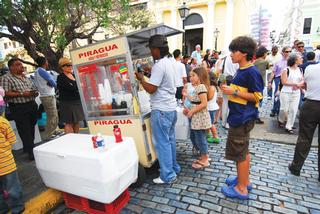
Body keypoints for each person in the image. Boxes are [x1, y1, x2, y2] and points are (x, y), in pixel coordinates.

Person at [221, 36, 263, 200]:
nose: (231, 54)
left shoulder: (251, 71)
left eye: (234, 51)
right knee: (243, 151)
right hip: (239, 116)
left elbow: (258, 97)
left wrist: (234, 92)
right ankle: (244, 180)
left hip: (242, 118)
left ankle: (241, 188)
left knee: (239, 153)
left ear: (244, 53)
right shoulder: (242, 69)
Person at [135, 34, 180, 184]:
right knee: (170, 140)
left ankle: (168, 175)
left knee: (162, 143)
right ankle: (173, 167)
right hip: (171, 108)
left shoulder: (160, 65)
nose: (150, 53)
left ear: (155, 49)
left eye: (151, 50)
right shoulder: (171, 61)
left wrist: (142, 79)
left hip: (161, 109)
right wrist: (150, 72)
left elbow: (152, 89)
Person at [1, 58, 38, 160]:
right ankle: (31, 152)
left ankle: (28, 147)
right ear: (11, 67)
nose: (21, 66)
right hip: (19, 108)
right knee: (24, 129)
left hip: (31, 104)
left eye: (21, 64)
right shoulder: (6, 78)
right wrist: (21, 93)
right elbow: (6, 93)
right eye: (18, 64)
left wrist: (34, 92)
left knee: (31, 127)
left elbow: (33, 87)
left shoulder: (25, 77)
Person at [288, 63, 320, 181]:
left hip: (311, 104)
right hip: (312, 103)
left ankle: (296, 167)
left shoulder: (310, 68)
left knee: (304, 138)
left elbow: (306, 85)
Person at [184, 67, 211, 169]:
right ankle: (203, 156)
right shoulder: (198, 87)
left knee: (200, 138)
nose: (190, 78)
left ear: (200, 76)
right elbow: (196, 101)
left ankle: (205, 158)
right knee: (196, 137)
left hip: (199, 117)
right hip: (196, 117)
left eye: (193, 75)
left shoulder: (201, 87)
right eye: (190, 76)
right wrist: (188, 97)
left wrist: (192, 111)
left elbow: (204, 104)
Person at [0, 115, 25, 214]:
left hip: (5, 163)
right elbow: (12, 140)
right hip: (6, 163)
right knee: (12, 187)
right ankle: (17, 207)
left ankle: (2, 208)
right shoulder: (3, 122)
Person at [57, 57, 84, 134]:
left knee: (77, 121)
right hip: (67, 103)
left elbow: (78, 86)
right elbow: (71, 88)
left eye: (70, 65)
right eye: (67, 65)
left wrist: (78, 87)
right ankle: (69, 140)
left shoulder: (73, 75)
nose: (70, 66)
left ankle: (76, 137)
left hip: (76, 101)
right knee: (69, 123)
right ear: (62, 67)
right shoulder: (60, 77)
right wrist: (78, 86)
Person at [34, 56, 59, 140]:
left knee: (52, 115)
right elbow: (51, 80)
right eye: (47, 61)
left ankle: (54, 131)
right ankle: (49, 134)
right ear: (45, 62)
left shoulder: (37, 71)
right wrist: (56, 85)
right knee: (52, 116)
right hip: (48, 95)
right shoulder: (42, 70)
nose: (48, 63)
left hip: (46, 95)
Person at [278, 53, 304, 133]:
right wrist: (295, 84)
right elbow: (284, 82)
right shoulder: (286, 70)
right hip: (286, 92)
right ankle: (280, 119)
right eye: (300, 58)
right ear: (295, 60)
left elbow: (302, 79)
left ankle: (289, 126)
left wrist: (300, 86)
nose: (302, 59)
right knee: (284, 109)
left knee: (293, 109)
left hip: (296, 92)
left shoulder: (300, 69)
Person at [216, 53, 239, 129]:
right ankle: (228, 123)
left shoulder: (225, 59)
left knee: (225, 103)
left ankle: (223, 122)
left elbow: (219, 70)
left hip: (224, 82)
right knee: (231, 103)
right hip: (234, 82)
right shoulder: (237, 59)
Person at [268, 46, 292, 117]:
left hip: (289, 79)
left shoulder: (292, 62)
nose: (288, 53)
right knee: (277, 94)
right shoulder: (278, 62)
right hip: (278, 79)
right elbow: (273, 72)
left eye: (290, 51)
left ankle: (284, 112)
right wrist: (269, 82)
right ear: (283, 53)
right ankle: (275, 110)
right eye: (287, 51)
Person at [254, 46, 269, 124]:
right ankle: (256, 116)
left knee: (254, 99)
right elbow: (267, 68)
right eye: (266, 53)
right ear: (263, 54)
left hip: (254, 82)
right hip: (261, 83)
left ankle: (254, 115)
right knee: (259, 99)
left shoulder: (254, 62)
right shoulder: (265, 62)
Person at [207, 72, 220, 143]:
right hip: (210, 106)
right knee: (208, 122)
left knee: (210, 123)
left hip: (210, 107)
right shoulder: (211, 86)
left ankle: (215, 137)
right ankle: (208, 134)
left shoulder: (212, 87)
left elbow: (209, 98)